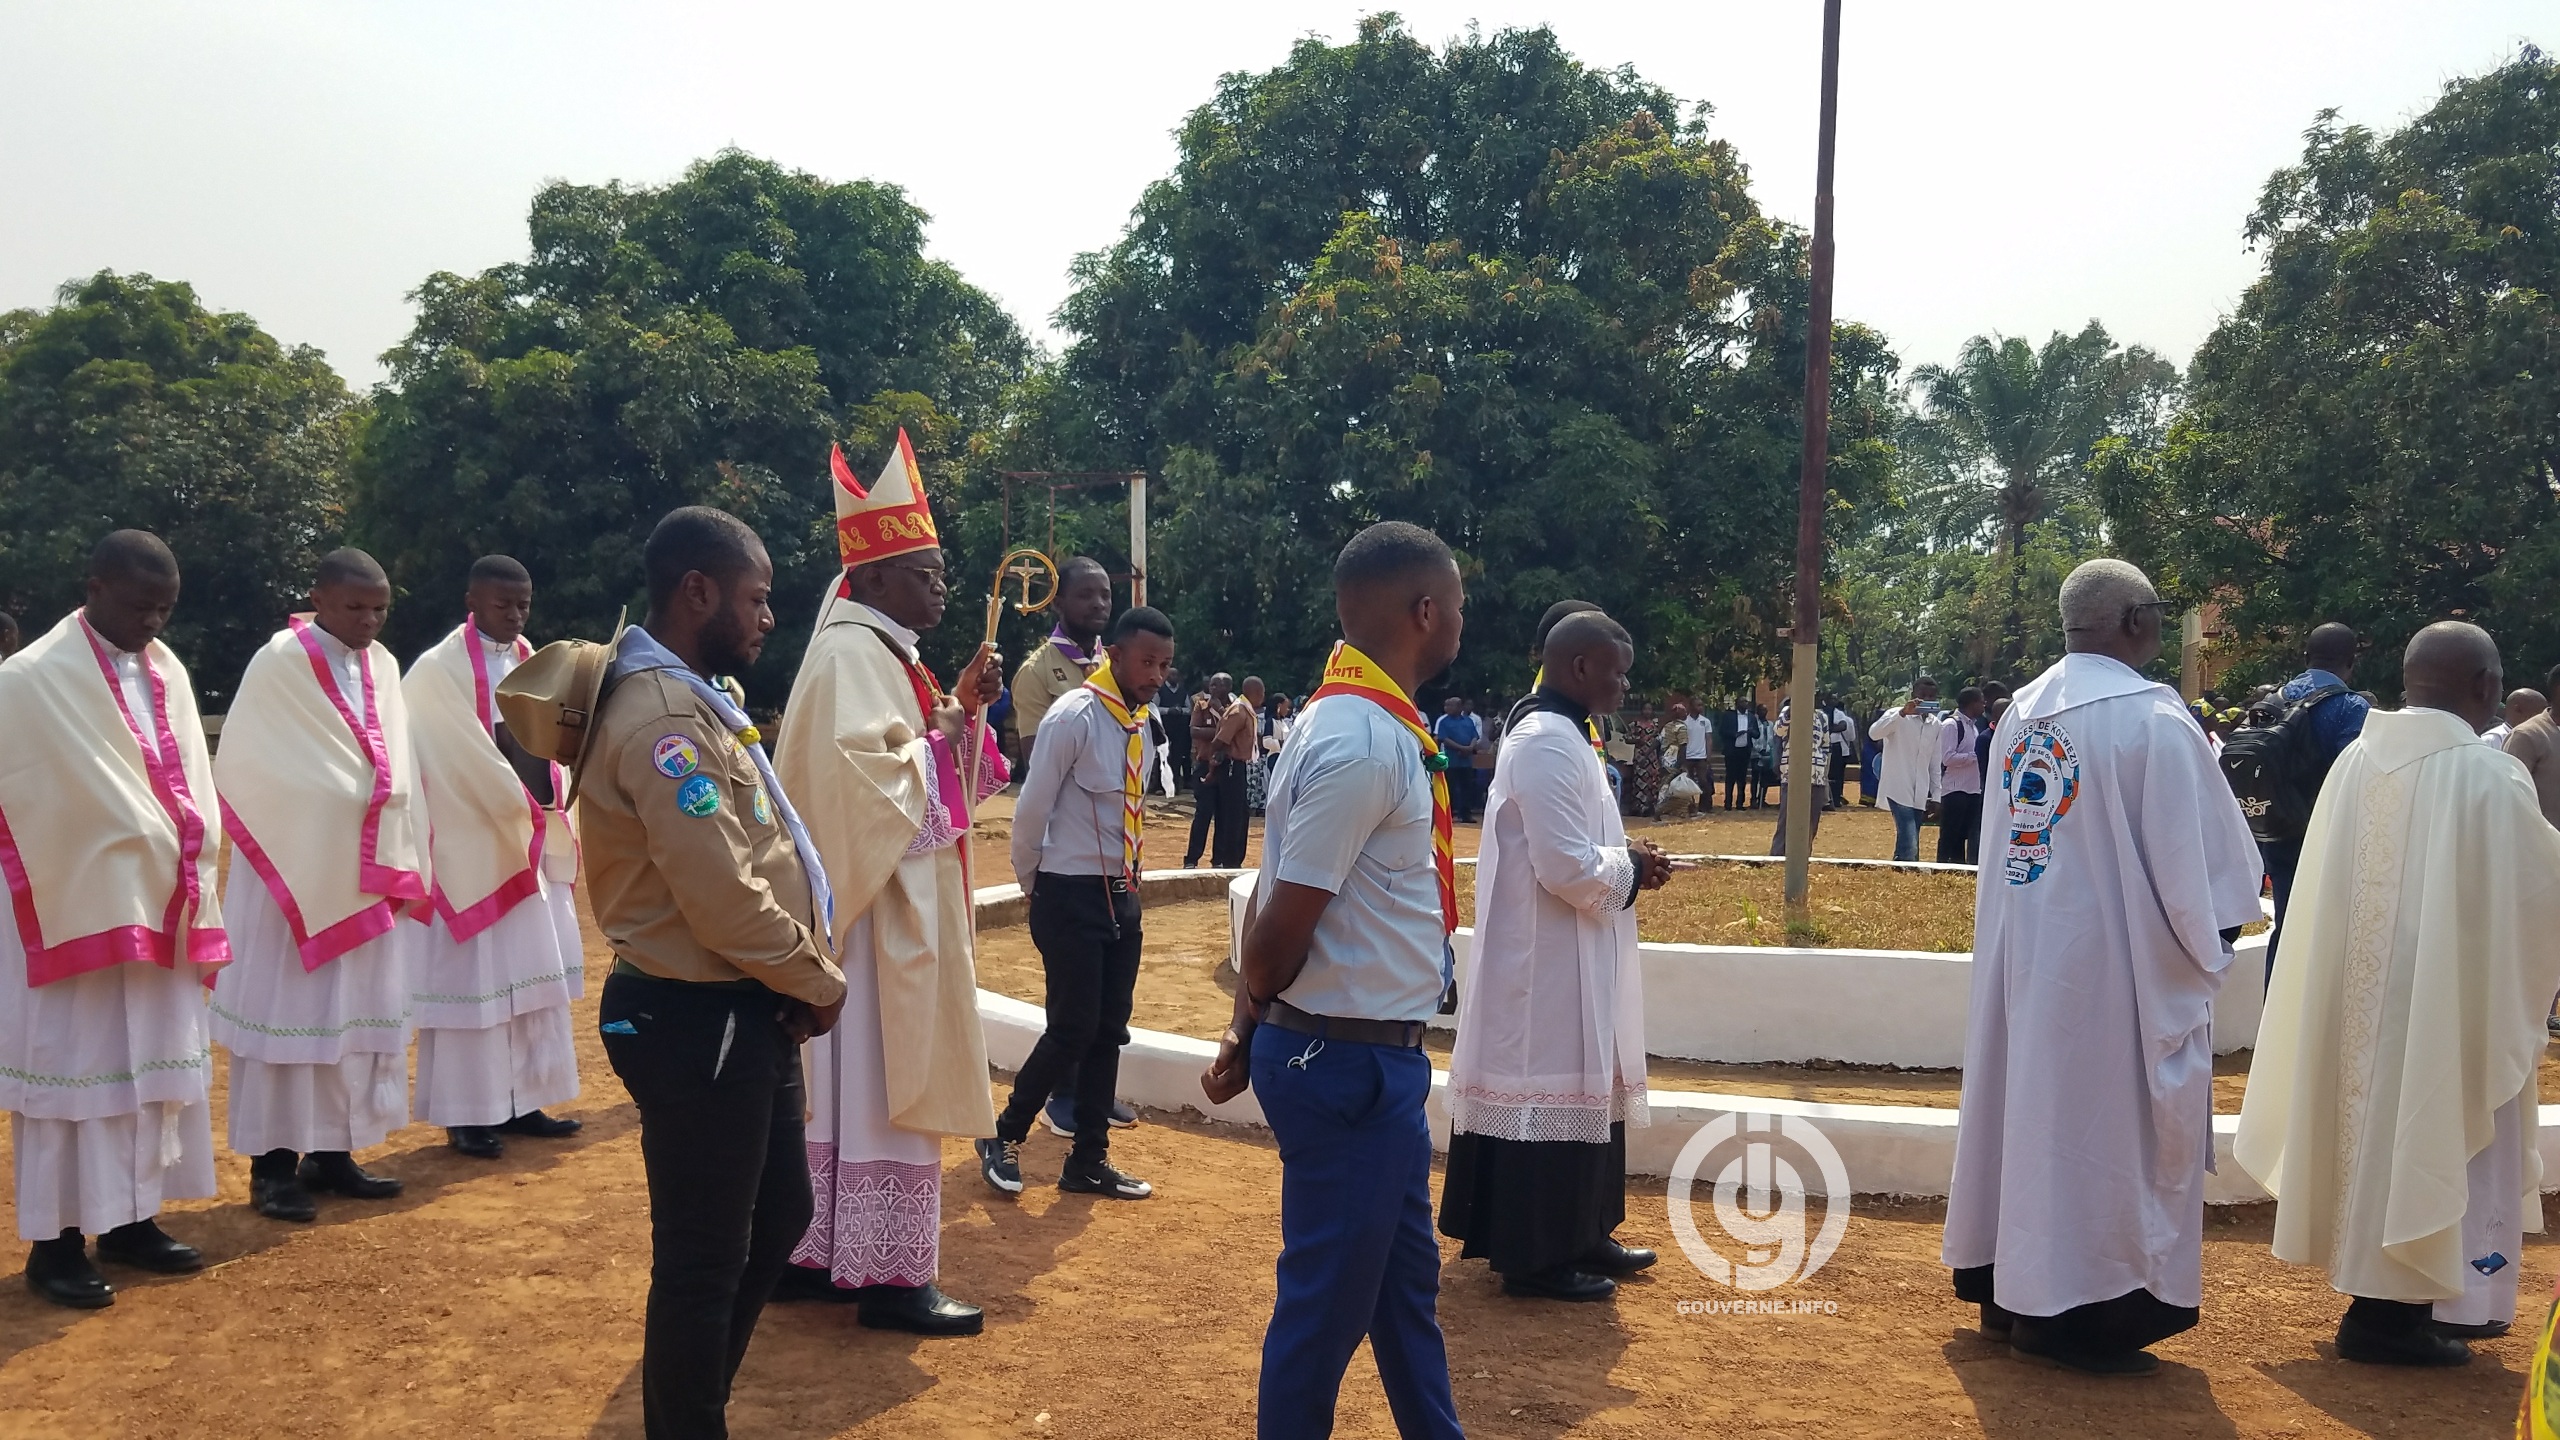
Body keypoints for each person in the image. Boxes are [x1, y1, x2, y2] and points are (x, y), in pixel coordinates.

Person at [548, 505, 847, 1438]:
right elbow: (721, 895)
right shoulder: (666, 715)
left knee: (776, 1214)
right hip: (695, 1013)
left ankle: (694, 1408)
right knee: (702, 1256)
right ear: (697, 591)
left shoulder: (692, 695)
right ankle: (689, 1421)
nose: (766, 617)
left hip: (743, 1006)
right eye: (755, 599)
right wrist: (817, 980)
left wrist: (791, 982)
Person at [1944, 559, 2263, 1376]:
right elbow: (2214, 884)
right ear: (2135, 622)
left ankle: (2005, 1290)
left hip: (2028, 965)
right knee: (2101, 1138)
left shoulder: (2021, 712)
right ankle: (2082, 1313)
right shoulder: (2153, 720)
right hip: (2115, 982)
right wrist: (2206, 951)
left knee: (2026, 1119)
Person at [1203, 520, 1466, 1440]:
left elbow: (1281, 897)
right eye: (1458, 604)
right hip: (1343, 1063)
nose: (1462, 619)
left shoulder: (1354, 721)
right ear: (1425, 612)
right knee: (1324, 1314)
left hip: (1361, 1058)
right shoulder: (1361, 742)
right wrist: (1253, 1021)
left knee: (1402, 1297)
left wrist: (1247, 1030)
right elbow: (1276, 933)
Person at [2236, 622, 2560, 1367]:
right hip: (2443, 1004)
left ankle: (2386, 1304)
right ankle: (2409, 1312)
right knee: (2436, 1131)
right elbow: (2536, 894)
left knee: (2368, 1135)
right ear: (2484, 685)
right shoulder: (2485, 774)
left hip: (2362, 999)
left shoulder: (2356, 762)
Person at [766, 439, 1005, 1335]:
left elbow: (925, 769)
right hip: (872, 919)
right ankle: (891, 1279)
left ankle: (821, 1251)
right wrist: (947, 731)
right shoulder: (850, 657)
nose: (941, 589)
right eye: (923, 573)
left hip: (884, 906)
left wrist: (962, 717)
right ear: (868, 580)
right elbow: (865, 789)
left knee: (852, 1086)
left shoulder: (885, 653)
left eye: (942, 574)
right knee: (878, 1080)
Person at [0, 532, 225, 1307]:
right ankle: (55, 1245)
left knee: (148, 1072)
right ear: (93, 587)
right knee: (73, 1074)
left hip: (159, 905)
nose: (152, 623)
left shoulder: (170, 672)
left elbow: (193, 781)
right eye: (139, 606)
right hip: (74, 911)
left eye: (165, 608)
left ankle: (131, 1220)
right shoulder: (29, 680)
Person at [1444, 612, 1673, 1302]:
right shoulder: (1544, 741)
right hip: (1543, 958)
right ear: (1579, 668)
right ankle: (1534, 1254)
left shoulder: (1572, 734)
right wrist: (1629, 864)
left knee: (1585, 1086)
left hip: (1580, 948)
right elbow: (1565, 865)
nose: (1625, 684)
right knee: (1545, 1085)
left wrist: (1634, 860)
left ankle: (1583, 1231)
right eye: (1616, 670)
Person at [210, 548, 422, 1222]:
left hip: (362, 869)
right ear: (320, 600)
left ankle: (336, 1152)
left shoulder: (385, 666)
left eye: (380, 609)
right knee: (289, 1019)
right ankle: (271, 1169)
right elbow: (251, 764)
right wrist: (341, 801)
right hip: (292, 873)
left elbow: (397, 756)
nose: (368, 621)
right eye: (355, 607)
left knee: (350, 1019)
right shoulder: (280, 661)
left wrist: (381, 810)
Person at [979, 606, 1177, 1202]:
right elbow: (1031, 808)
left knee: (1109, 1029)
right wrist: (1032, 883)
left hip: (1123, 891)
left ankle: (1088, 1160)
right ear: (1114, 654)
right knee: (1072, 1028)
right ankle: (1002, 1134)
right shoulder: (1076, 717)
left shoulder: (1139, 722)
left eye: (1165, 665)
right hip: (1068, 891)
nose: (1157, 674)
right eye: (1147, 661)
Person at [403, 555, 585, 1161]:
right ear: (472, 600)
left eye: (524, 604)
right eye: (503, 604)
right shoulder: (437, 670)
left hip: (530, 834)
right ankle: (466, 1113)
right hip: (476, 840)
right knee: (476, 977)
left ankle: (524, 1099)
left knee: (529, 974)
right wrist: (517, 806)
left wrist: (553, 790)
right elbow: (451, 755)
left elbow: (550, 741)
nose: (514, 614)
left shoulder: (534, 660)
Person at [2259, 623, 2371, 977]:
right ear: (2351, 662)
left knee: (2287, 924)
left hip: (2274, 830)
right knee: (2329, 937)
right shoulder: (2350, 707)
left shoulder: (2272, 700)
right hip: (2324, 837)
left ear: (2306, 657)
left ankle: (2271, 1018)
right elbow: (2353, 779)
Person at [1009, 556, 1112, 780]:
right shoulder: (1035, 672)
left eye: (1105, 595)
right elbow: (1038, 766)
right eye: (1085, 595)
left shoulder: (1115, 667)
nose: (1098, 603)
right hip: (1066, 809)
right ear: (1058, 603)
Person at [1870, 679, 1944, 862]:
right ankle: (1908, 869)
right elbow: (1874, 733)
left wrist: (1936, 796)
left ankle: (1901, 869)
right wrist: (1903, 713)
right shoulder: (1896, 715)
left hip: (1920, 791)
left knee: (1910, 837)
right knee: (1910, 838)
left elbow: (1935, 763)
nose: (1926, 700)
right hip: (1897, 787)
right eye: (1922, 696)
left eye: (1931, 697)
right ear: (1913, 696)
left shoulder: (1936, 725)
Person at [1185, 673, 1254, 868]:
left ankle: (1219, 860)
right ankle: (1191, 859)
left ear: (1228, 687)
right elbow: (1193, 731)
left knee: (1225, 815)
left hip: (1226, 766)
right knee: (1203, 812)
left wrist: (1221, 716)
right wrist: (1222, 733)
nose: (1212, 688)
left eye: (1218, 685)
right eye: (1212, 685)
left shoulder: (1235, 706)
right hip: (1205, 763)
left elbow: (1233, 731)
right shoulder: (1201, 705)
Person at [1935, 687, 1988, 864]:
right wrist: (1974, 757)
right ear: (1971, 703)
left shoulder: (1973, 727)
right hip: (1955, 789)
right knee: (1950, 834)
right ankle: (1943, 868)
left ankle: (1959, 868)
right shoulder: (1951, 725)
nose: (1984, 704)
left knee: (1964, 834)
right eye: (1981, 701)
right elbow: (1947, 757)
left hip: (1972, 789)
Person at [1432, 696, 1482, 824]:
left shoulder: (1468, 721)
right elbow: (1444, 739)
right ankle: (1451, 813)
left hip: (1466, 760)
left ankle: (1466, 814)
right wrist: (1462, 748)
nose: (1446, 708)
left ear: (1459, 707)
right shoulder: (1444, 722)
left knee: (1467, 787)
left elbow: (1474, 736)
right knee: (1450, 787)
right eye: (1446, 706)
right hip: (1452, 759)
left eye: (1450, 705)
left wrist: (1470, 748)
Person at [1826, 693, 1857, 810]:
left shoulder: (1840, 715)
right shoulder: (1821, 714)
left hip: (1838, 749)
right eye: (1831, 698)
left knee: (1837, 776)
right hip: (1825, 747)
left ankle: (1836, 798)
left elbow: (1842, 726)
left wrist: (1828, 728)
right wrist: (1832, 727)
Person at [1679, 701, 1712, 793]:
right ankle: (1690, 805)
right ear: (1691, 706)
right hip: (1688, 756)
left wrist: (1708, 756)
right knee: (1688, 782)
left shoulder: (1705, 721)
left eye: (1702, 705)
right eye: (1698, 705)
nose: (1701, 707)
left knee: (1703, 781)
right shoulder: (1684, 722)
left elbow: (1708, 739)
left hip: (1701, 757)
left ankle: (1704, 806)